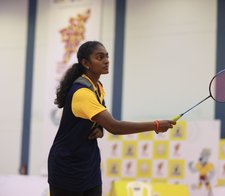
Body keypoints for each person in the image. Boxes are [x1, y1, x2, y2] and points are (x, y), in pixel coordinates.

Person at [47, 41, 176, 196]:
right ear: (86, 63)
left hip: (89, 166)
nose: (106, 60)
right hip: (67, 168)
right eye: (100, 57)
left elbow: (100, 118)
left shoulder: (97, 87)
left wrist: (99, 129)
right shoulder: (82, 93)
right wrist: (155, 125)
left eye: (107, 56)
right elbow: (115, 127)